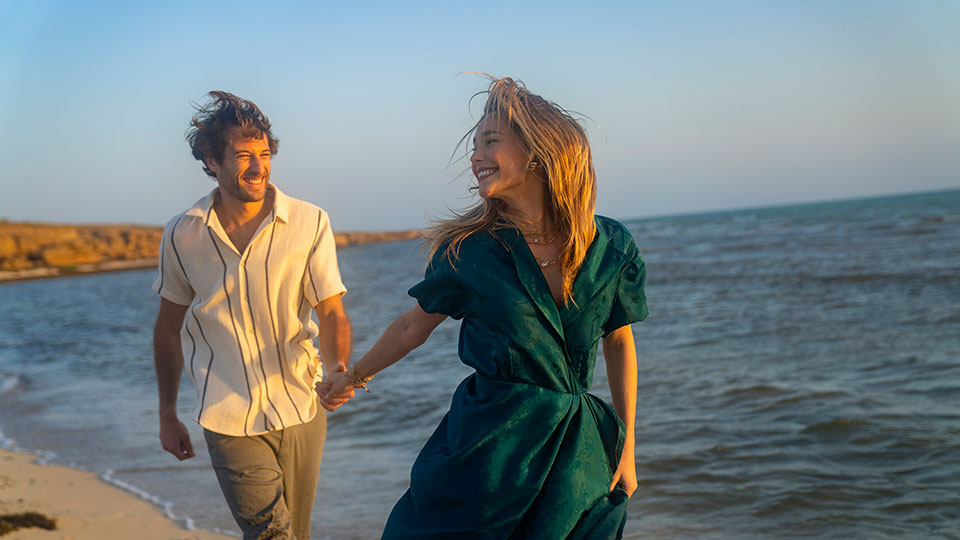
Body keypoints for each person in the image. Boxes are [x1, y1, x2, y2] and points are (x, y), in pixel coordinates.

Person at [321, 76, 648, 539]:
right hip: (488, 452)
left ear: (537, 150)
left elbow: (619, 343)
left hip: (578, 454)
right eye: (473, 145)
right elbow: (411, 328)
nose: (475, 156)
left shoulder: (612, 246)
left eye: (489, 142)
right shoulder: (469, 251)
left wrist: (628, 445)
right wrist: (352, 377)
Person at [152, 91, 353, 540]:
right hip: (227, 416)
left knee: (294, 533)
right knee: (270, 535)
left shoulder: (309, 221)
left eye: (264, 154)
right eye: (243, 156)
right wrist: (167, 412)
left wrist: (338, 367)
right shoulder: (182, 234)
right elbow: (167, 330)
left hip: (302, 405)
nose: (259, 168)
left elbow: (332, 310)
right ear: (211, 160)